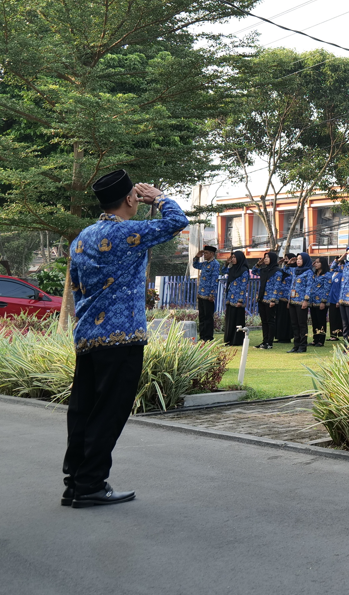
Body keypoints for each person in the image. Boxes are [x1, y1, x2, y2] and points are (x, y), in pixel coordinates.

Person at [64, 169, 188, 508]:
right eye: (136, 196)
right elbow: (177, 221)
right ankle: (91, 484)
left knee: (83, 411)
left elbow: (76, 287)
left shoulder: (82, 237)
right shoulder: (130, 233)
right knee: (109, 412)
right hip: (121, 339)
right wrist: (159, 198)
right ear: (131, 199)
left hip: (87, 336)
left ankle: (75, 482)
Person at [193, 245, 221, 342]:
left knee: (208, 317)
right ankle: (202, 336)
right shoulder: (204, 264)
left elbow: (214, 280)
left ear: (212, 254)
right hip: (201, 294)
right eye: (204, 253)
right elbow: (195, 265)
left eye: (206, 253)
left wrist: (212, 294)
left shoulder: (215, 264)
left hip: (208, 295)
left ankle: (208, 337)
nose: (204, 255)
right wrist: (197, 256)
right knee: (202, 316)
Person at [222, 250, 250, 347]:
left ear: (239, 258)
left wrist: (240, 300)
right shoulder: (232, 269)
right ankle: (228, 339)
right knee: (230, 320)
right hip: (230, 298)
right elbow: (223, 271)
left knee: (237, 320)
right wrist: (227, 263)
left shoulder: (244, 271)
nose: (233, 259)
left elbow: (243, 286)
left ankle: (236, 340)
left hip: (237, 299)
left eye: (234, 257)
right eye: (232, 257)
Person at [287, 252, 312, 353]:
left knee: (302, 324)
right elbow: (284, 271)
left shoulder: (309, 272)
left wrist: (306, 300)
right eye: (297, 259)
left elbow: (309, 287)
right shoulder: (295, 270)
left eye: (300, 259)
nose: (298, 261)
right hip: (293, 300)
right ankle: (296, 345)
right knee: (294, 324)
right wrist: (289, 263)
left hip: (301, 301)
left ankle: (302, 345)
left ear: (305, 260)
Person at [256, 250, 282, 350]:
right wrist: (258, 263)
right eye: (264, 257)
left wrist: (273, 300)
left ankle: (269, 342)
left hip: (270, 299)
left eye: (267, 257)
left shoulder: (277, 271)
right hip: (262, 298)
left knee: (270, 321)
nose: (265, 259)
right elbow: (254, 271)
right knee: (264, 321)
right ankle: (264, 341)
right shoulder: (264, 270)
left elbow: (277, 286)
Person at [308, 256, 332, 347]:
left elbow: (327, 289)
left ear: (323, 264)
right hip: (313, 301)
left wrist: (323, 301)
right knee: (314, 321)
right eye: (315, 262)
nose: (316, 264)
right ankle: (315, 339)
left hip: (321, 301)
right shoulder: (314, 274)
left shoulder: (327, 275)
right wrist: (311, 265)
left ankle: (321, 340)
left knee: (321, 321)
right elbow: (308, 272)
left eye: (318, 262)